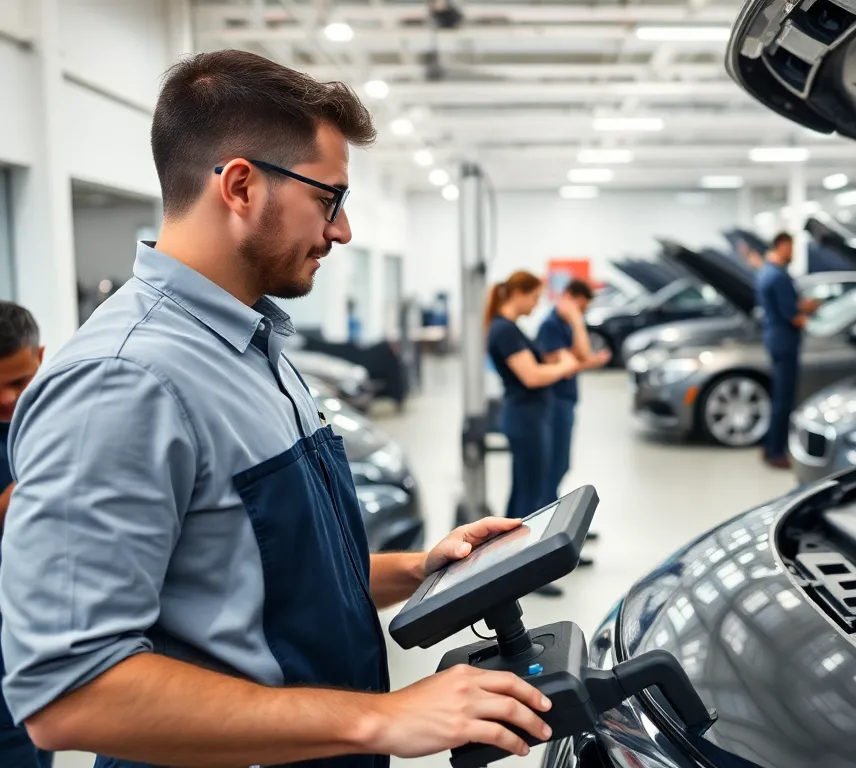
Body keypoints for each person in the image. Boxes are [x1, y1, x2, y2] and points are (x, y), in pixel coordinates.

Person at [0, 50, 556, 767]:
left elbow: (255, 575)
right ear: (240, 186)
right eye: (329, 197)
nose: (344, 229)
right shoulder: (124, 380)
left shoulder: (250, 341)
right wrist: (379, 721)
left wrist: (419, 569)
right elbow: (69, 692)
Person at [485, 271, 580, 523]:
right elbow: (532, 376)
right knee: (530, 495)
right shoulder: (504, 330)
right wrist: (564, 366)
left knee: (525, 490)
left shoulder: (510, 328)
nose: (537, 304)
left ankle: (512, 552)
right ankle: (520, 555)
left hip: (529, 417)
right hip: (526, 419)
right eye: (535, 297)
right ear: (518, 293)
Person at [0, 303, 47, 768]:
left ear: (41, 357)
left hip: (40, 658)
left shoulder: (52, 425)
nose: (6, 400)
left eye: (17, 382)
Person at [534, 279, 611, 504]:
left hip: (565, 399)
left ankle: (551, 508)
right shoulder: (551, 325)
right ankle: (546, 513)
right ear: (569, 297)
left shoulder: (564, 323)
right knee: (555, 464)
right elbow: (566, 367)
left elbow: (580, 355)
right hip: (554, 401)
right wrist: (577, 322)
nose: (582, 311)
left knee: (562, 463)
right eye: (581, 306)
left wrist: (576, 323)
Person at [754, 233, 819, 469]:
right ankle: (776, 452)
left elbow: (786, 305)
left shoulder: (765, 272)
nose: (793, 253)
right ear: (781, 245)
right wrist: (816, 320)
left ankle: (768, 446)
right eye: (791, 248)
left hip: (774, 339)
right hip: (785, 342)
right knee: (783, 400)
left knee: (778, 397)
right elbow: (792, 316)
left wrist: (802, 306)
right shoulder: (780, 276)